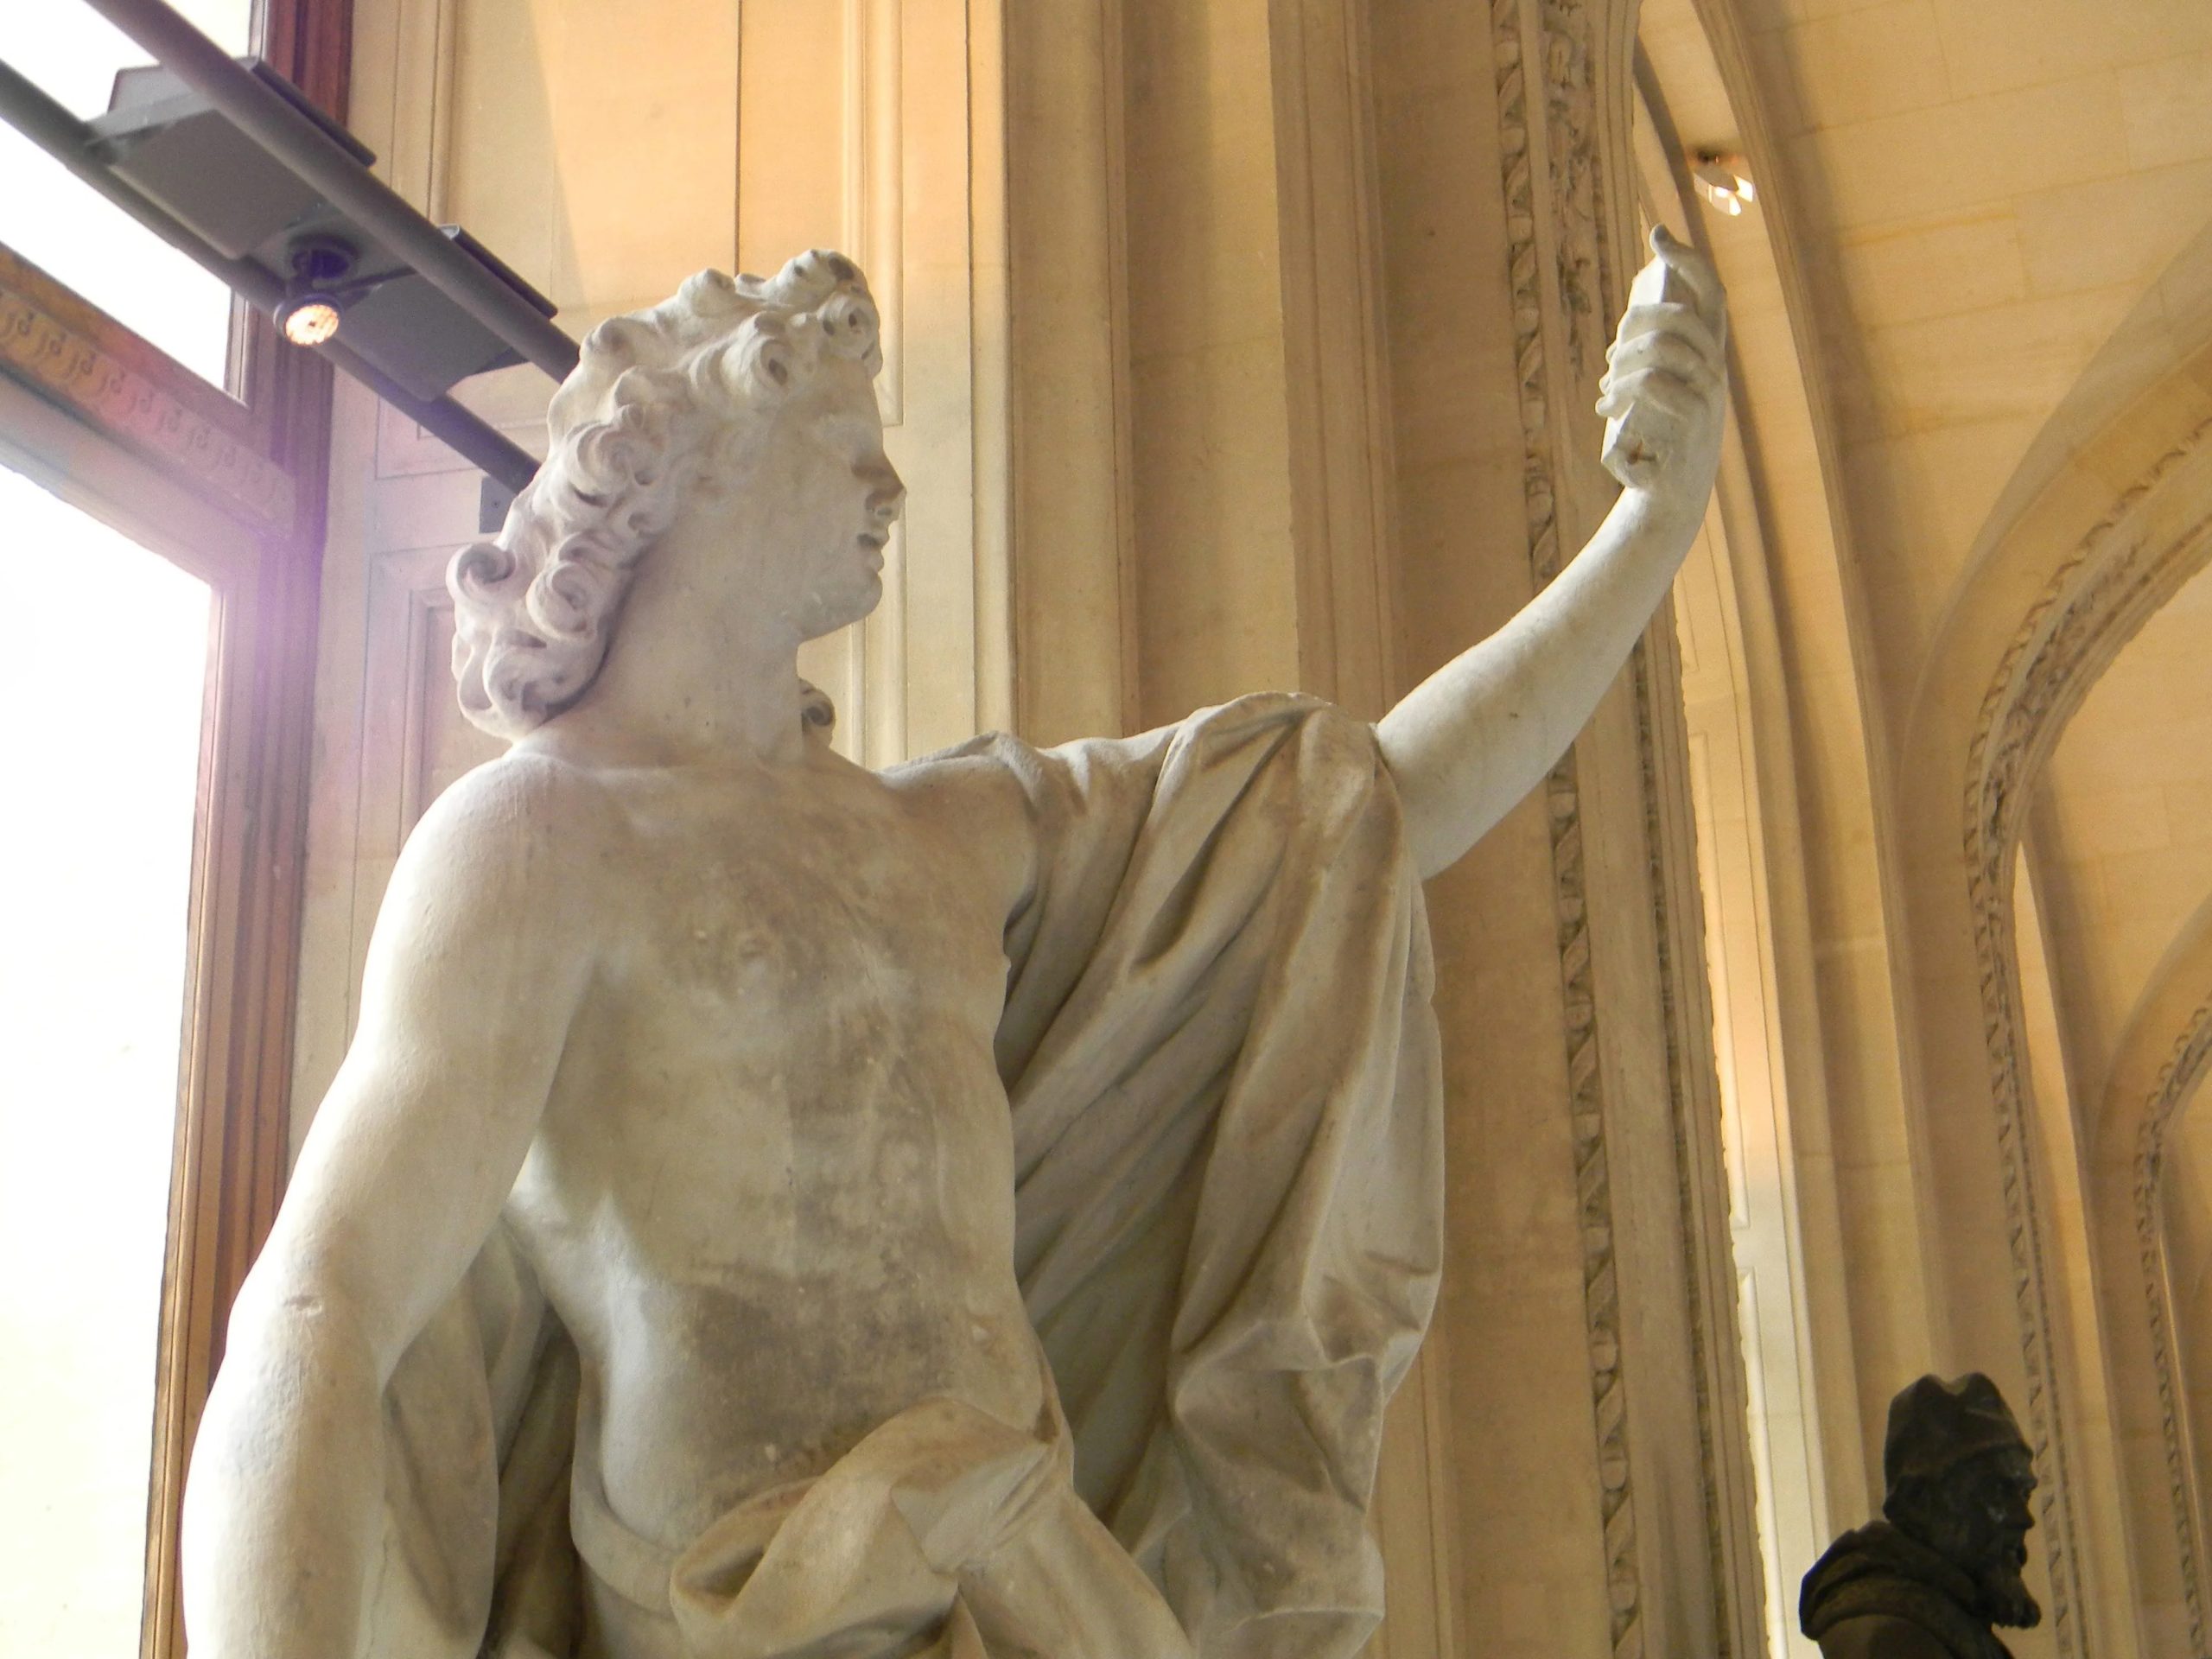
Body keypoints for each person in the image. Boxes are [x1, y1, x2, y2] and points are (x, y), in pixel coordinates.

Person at [182, 235, 1729, 1659]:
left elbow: (1365, 803)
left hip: (1043, 1590)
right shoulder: (538, 845)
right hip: (749, 1607)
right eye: (842, 438)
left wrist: (1649, 531)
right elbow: (325, 1310)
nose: (883, 481)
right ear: (701, 464)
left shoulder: (949, 839)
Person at [1799, 1373, 2043, 1659]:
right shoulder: (1890, 1636)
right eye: (1998, 1492)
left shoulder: (1949, 1621)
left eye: (2023, 1494)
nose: (2023, 1519)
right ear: (1922, 1501)